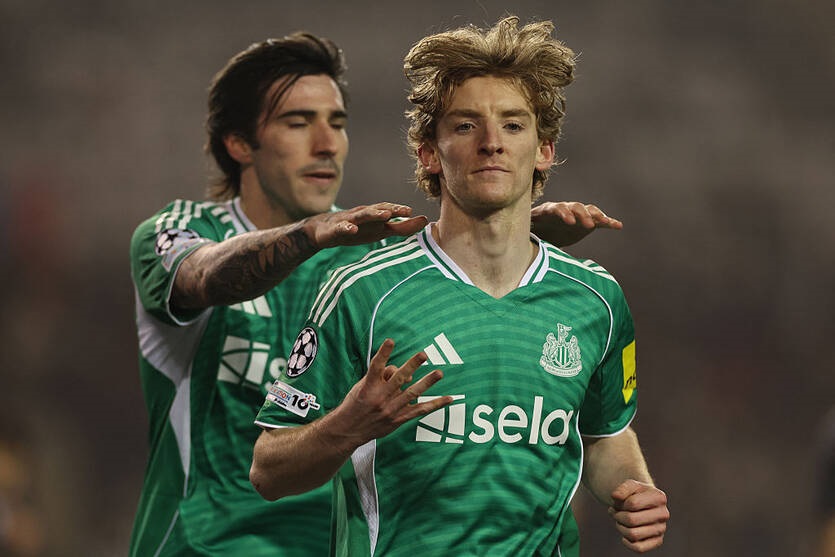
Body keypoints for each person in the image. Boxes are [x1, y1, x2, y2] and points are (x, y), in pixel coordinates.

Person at [129, 31, 622, 556]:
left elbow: (460, 257)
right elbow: (204, 276)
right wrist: (312, 233)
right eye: (298, 122)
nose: (327, 143)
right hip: (207, 546)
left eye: (338, 123)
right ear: (238, 142)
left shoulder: (370, 264)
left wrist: (521, 229)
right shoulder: (182, 230)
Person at [250, 16, 669, 556]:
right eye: (467, 126)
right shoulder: (362, 292)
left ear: (544, 149)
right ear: (429, 152)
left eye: (513, 125)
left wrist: (633, 490)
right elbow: (268, 471)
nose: (492, 143)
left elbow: (603, 435)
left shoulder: (596, 299)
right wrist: (348, 426)